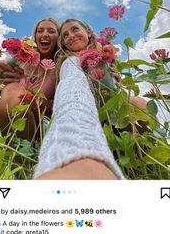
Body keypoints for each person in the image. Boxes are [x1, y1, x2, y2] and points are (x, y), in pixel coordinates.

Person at [34, 19, 124, 180]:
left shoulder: (104, 55)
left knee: (140, 103)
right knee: (73, 66)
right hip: (82, 113)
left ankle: (146, 165)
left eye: (75, 30)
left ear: (88, 32)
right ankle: (76, 145)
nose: (71, 36)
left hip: (115, 115)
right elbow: (72, 87)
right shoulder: (66, 62)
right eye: (65, 35)